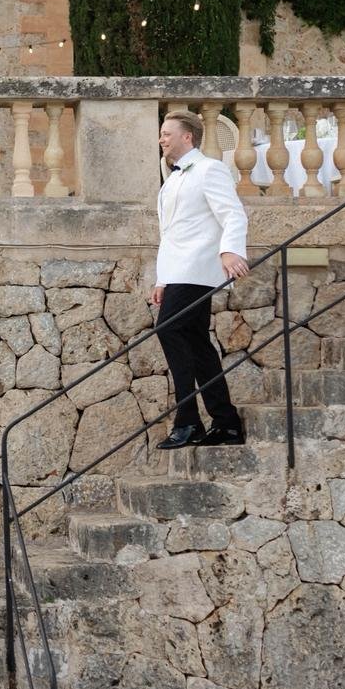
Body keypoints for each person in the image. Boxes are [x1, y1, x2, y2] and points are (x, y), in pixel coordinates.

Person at [151, 111, 249, 450]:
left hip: (199, 269)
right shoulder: (172, 179)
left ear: (187, 137)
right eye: (161, 134)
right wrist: (162, 278)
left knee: (168, 328)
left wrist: (230, 251)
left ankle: (188, 420)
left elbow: (232, 213)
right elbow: (169, 234)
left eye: (167, 133)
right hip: (177, 272)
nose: (162, 139)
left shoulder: (210, 169)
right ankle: (226, 423)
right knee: (198, 344)